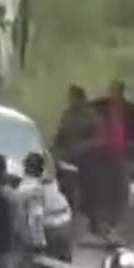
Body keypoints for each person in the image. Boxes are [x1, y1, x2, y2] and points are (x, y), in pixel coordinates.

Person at [89, 79, 134, 232]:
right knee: (104, 185)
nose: (115, 95)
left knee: (121, 185)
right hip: (104, 154)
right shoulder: (101, 107)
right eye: (113, 91)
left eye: (118, 91)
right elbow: (89, 110)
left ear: (122, 92)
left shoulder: (132, 110)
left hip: (125, 154)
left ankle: (120, 219)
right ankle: (104, 220)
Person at [52, 84, 100, 232]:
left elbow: (98, 137)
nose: (70, 101)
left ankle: (95, 223)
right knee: (66, 191)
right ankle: (69, 222)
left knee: (91, 192)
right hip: (69, 160)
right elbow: (60, 136)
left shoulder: (90, 116)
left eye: (73, 97)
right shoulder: (68, 115)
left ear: (80, 98)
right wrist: (54, 149)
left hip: (87, 160)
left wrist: (85, 146)